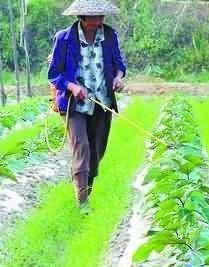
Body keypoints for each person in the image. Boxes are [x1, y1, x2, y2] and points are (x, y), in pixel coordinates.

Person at [48, 0, 126, 208]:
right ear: (82, 17)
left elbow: (119, 65)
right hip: (74, 104)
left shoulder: (109, 35)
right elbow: (54, 75)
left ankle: (86, 189)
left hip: (102, 101)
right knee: (81, 145)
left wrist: (118, 78)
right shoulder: (64, 39)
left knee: (96, 149)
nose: (99, 20)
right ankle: (82, 202)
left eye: (102, 16)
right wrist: (73, 87)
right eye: (95, 16)